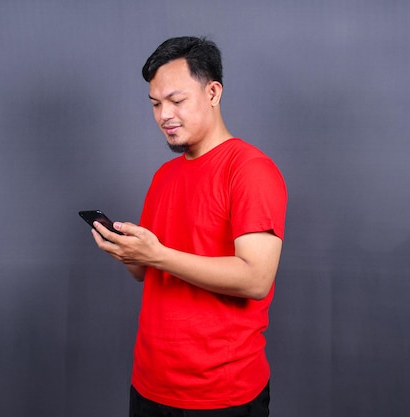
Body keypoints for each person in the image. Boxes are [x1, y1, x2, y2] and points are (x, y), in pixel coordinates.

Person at [89, 36, 287, 417]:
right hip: (149, 384)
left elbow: (256, 278)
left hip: (219, 394)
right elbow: (145, 271)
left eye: (177, 101)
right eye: (155, 104)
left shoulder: (249, 170)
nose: (164, 114)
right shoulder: (164, 175)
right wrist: (127, 251)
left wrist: (157, 255)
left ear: (213, 92)